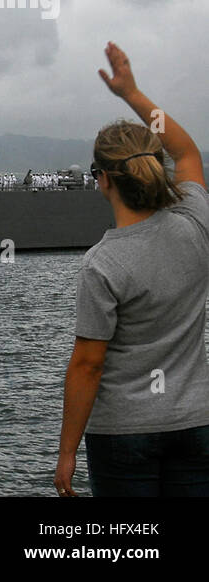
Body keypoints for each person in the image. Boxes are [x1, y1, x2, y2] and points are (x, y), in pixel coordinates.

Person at [54, 42, 209, 497]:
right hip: (197, 423)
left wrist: (67, 451)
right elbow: (187, 153)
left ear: (101, 179)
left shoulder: (103, 263)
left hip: (124, 434)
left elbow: (88, 364)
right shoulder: (195, 222)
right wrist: (132, 94)